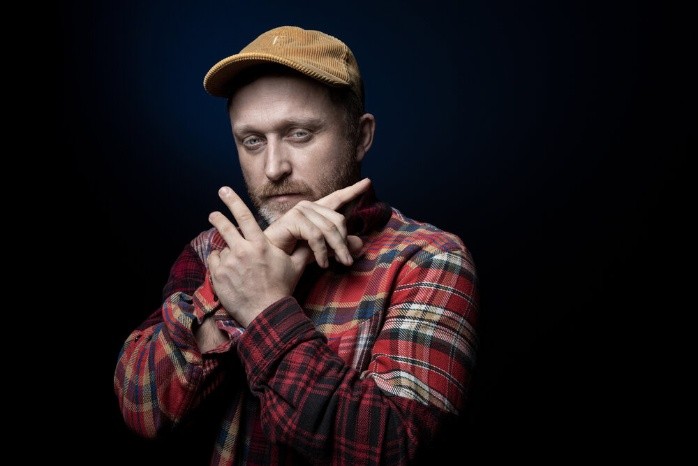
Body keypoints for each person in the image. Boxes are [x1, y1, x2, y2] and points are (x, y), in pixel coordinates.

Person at [113, 25, 479, 465]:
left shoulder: (427, 259)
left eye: (299, 134)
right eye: (252, 141)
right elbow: (143, 411)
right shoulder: (211, 251)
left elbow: (394, 447)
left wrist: (264, 309)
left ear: (361, 136)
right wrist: (225, 301)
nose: (273, 168)